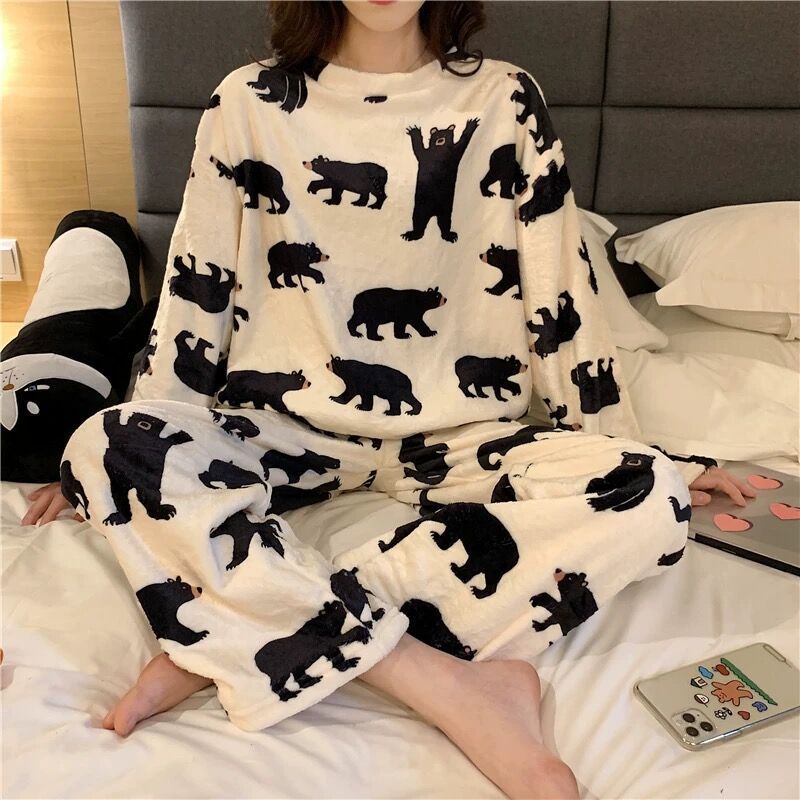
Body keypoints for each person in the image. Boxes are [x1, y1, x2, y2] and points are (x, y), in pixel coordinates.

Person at [35, 2, 756, 798]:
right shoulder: (246, 102)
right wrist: (130, 456)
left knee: (650, 495)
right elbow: (194, 293)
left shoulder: (505, 99)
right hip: (285, 428)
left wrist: (642, 451)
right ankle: (445, 684)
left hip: (463, 435)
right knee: (104, 440)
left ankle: (238, 633)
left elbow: (564, 299)